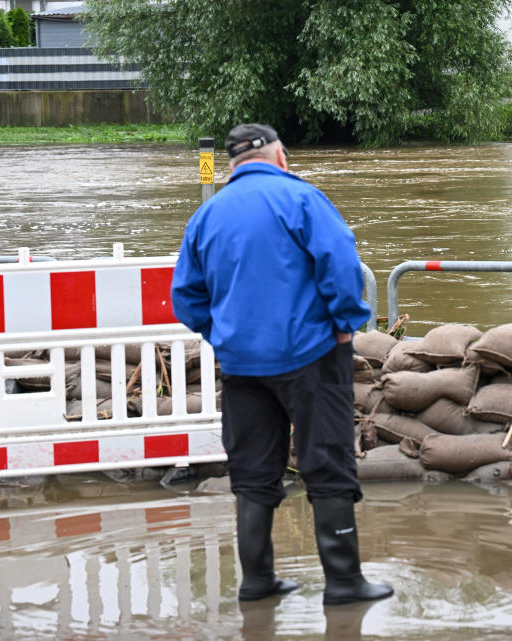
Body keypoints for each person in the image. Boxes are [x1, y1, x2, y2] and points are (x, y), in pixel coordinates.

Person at [170, 123, 393, 606]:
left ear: (231, 165)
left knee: (252, 469)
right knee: (327, 459)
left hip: (241, 365)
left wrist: (223, 334)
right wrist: (345, 324)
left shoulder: (206, 216)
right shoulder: (303, 200)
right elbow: (340, 265)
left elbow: (185, 297)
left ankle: (256, 581)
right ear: (282, 157)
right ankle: (344, 582)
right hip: (311, 356)